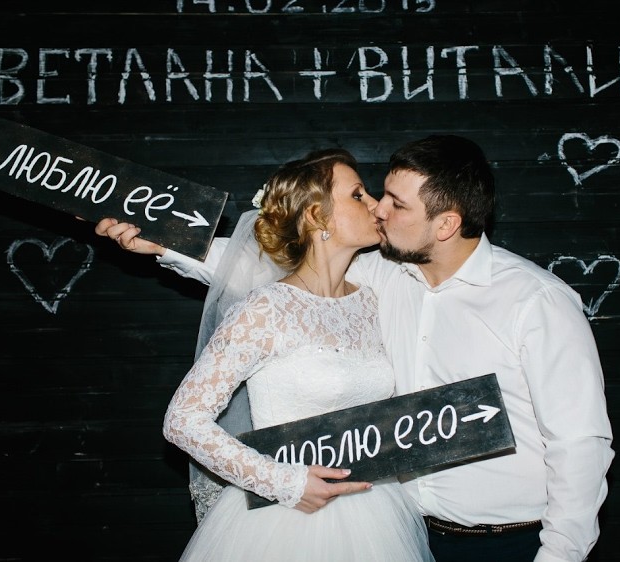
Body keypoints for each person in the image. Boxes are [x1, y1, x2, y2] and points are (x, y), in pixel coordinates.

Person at [97, 135, 614, 562]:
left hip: (512, 543)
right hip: (408, 529)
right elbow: (261, 270)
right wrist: (165, 243)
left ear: (446, 223)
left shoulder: (535, 301)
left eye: (396, 204)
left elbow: (580, 442)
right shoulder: (384, 277)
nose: (380, 210)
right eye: (373, 195)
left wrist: (559, 555)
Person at [157, 148, 433, 561]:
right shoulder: (266, 308)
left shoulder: (371, 301)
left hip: (376, 511)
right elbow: (182, 420)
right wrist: (283, 483)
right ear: (317, 216)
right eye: (358, 194)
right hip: (286, 519)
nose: (376, 205)